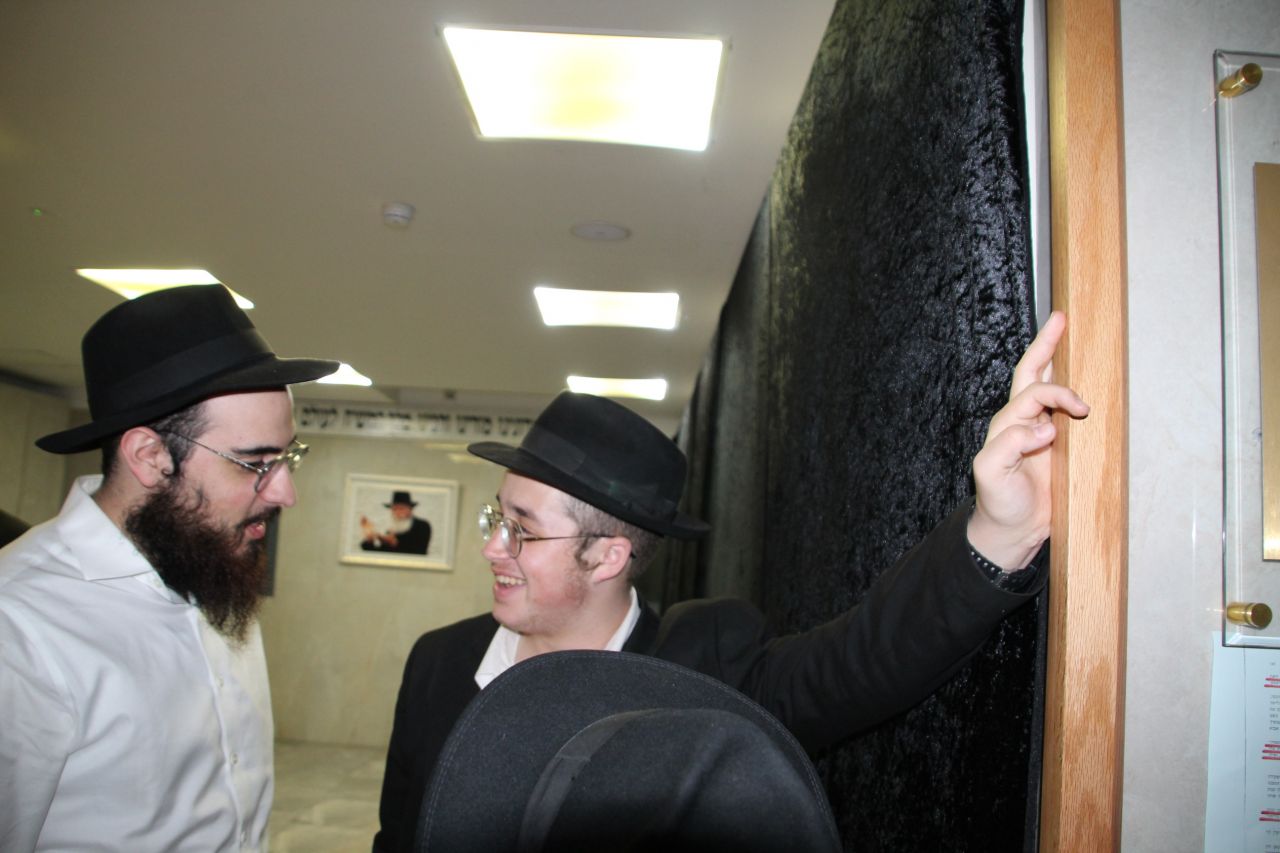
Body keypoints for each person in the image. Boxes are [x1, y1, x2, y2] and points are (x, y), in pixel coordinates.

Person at [373, 312, 1089, 853]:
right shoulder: (438, 662)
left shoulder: (706, 665)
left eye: (522, 530)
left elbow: (864, 661)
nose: (493, 547)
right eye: (498, 518)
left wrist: (1000, 532)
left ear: (608, 556)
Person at [0, 284, 338, 852]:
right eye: (255, 463)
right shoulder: (19, 626)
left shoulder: (209, 567)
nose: (285, 493)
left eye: (287, 458)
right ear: (150, 456)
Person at [361, 491, 432, 554]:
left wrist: (394, 544)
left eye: (401, 508)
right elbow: (380, 554)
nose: (397, 512)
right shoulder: (390, 530)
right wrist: (370, 540)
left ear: (410, 509)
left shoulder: (422, 526)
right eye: (394, 509)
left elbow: (419, 552)